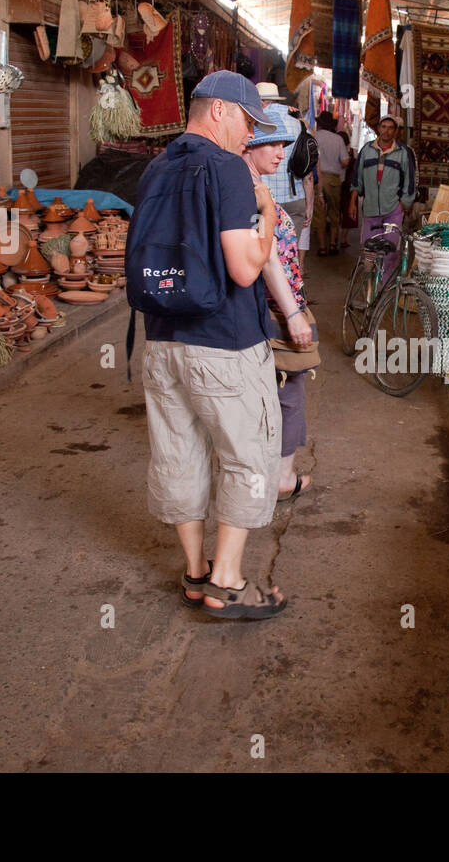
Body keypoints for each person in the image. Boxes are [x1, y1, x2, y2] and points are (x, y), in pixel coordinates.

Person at [135, 70, 288, 620]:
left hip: (161, 341)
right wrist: (268, 213)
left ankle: (195, 571)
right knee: (248, 456)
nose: (251, 136)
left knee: (181, 451)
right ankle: (226, 584)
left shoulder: (156, 166)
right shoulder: (226, 169)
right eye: (249, 121)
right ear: (220, 110)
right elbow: (246, 269)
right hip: (224, 344)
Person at [240, 103, 319, 503]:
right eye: (271, 145)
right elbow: (266, 257)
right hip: (272, 310)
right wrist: (291, 314)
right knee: (288, 392)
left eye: (284, 145)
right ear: (247, 147)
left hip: (277, 307)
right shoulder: (249, 195)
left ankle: (271, 473)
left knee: (281, 391)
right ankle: (281, 477)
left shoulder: (258, 188)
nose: (281, 153)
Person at [348, 114, 417, 282]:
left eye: (390, 128)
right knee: (369, 253)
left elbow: (410, 180)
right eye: (383, 127)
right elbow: (357, 177)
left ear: (395, 131)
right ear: (378, 129)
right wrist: (353, 202)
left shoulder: (403, 152)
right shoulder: (367, 150)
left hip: (393, 210)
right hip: (370, 208)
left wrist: (403, 204)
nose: (386, 131)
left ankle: (384, 290)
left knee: (391, 252)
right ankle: (369, 288)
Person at [256, 84, 312, 267]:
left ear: (261, 102)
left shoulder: (255, 124)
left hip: (265, 200)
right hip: (296, 199)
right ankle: (288, 291)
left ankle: (268, 293)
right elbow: (307, 171)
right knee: (287, 256)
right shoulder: (299, 125)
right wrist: (309, 205)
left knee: (263, 256)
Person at [313, 110, 350, 256]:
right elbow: (345, 161)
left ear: (319, 124)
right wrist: (337, 166)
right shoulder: (338, 139)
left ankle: (322, 247)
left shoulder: (314, 138)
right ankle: (333, 244)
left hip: (318, 179)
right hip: (334, 179)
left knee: (319, 214)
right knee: (334, 213)